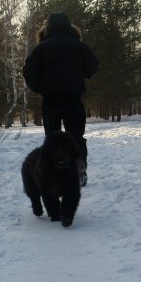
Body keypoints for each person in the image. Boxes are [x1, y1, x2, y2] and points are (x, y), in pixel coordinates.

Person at [22, 12, 99, 187]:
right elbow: (92, 67)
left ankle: (53, 172)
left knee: (53, 138)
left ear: (46, 29)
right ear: (69, 27)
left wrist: (38, 87)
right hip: (73, 98)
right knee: (76, 136)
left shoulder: (41, 48)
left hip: (51, 101)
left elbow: (28, 71)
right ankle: (79, 166)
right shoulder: (78, 46)